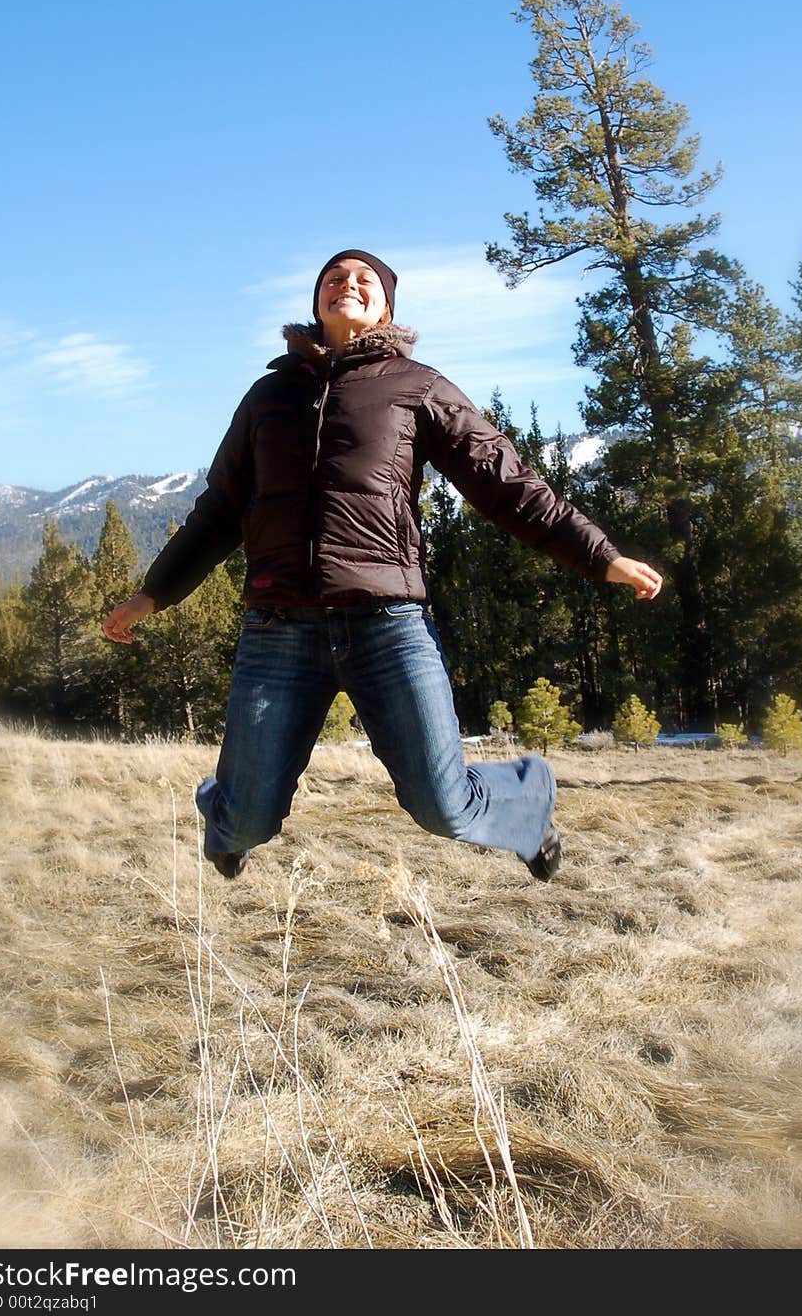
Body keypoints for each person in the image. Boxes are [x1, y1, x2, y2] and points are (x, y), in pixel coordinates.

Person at [103, 249, 662, 884]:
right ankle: (230, 813)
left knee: (443, 805)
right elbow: (219, 511)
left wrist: (602, 555)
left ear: (386, 307)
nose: (349, 285)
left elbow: (508, 485)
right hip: (279, 630)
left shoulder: (417, 387)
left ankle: (527, 802)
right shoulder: (268, 397)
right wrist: (152, 595)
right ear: (317, 302)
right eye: (335, 278)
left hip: (388, 624)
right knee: (245, 822)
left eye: (365, 280)